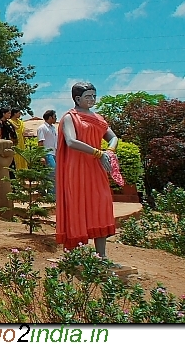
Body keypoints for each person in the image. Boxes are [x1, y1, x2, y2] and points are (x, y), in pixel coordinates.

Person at [55, 82, 119, 259]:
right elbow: (71, 141)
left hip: (96, 168)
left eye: (94, 96)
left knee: (101, 204)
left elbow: (113, 137)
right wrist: (98, 152)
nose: (92, 99)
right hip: (76, 169)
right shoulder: (70, 117)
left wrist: (110, 151)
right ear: (77, 99)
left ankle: (102, 255)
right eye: (88, 96)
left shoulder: (98, 118)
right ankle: (74, 256)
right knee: (77, 206)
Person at [37, 110, 58, 195]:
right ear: (50, 117)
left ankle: (42, 191)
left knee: (48, 174)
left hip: (54, 153)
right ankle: (52, 195)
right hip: (47, 153)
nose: (56, 118)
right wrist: (42, 156)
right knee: (52, 173)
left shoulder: (53, 128)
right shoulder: (42, 128)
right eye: (54, 116)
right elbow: (40, 143)